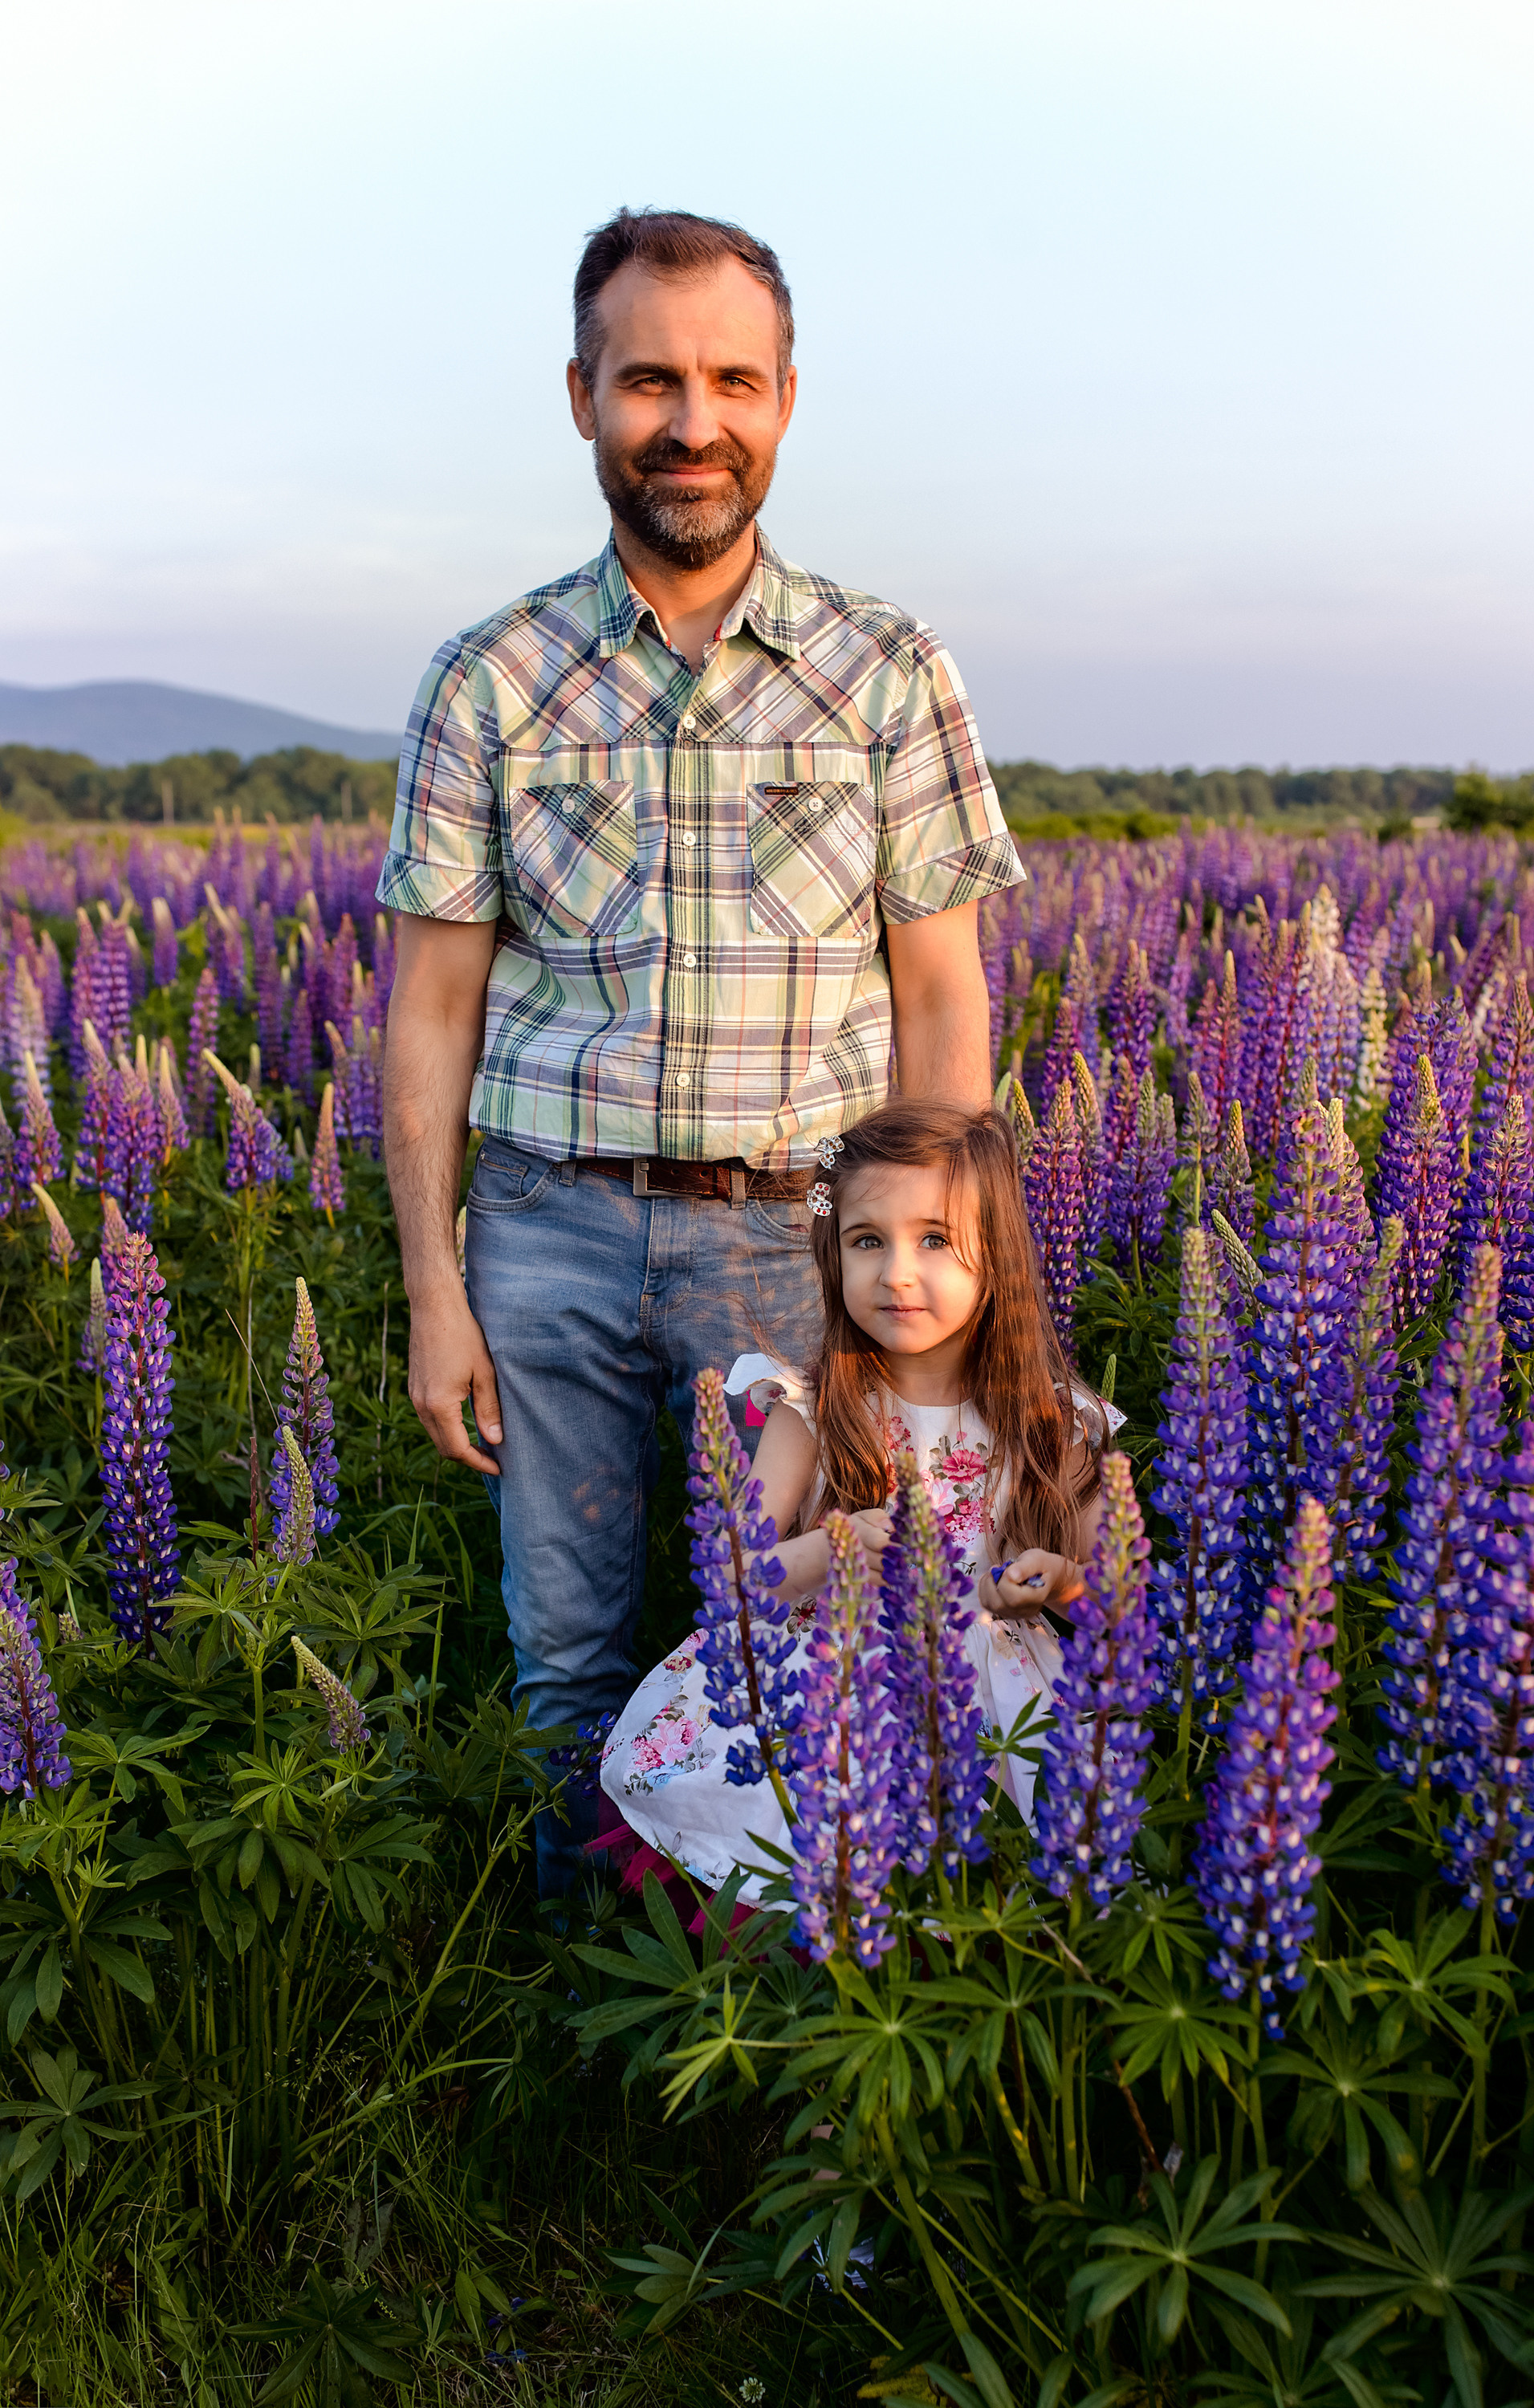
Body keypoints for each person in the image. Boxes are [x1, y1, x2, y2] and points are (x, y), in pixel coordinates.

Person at [378, 206, 1026, 1893]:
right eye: (649, 379)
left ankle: (779, 1999)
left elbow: (943, 999)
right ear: (581, 397)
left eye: (731, 380)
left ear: (785, 399)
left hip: (802, 1238)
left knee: (819, 1639)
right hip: (551, 1231)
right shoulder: (490, 679)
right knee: (569, 1657)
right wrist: (435, 1286)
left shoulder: (887, 670)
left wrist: (935, 1279)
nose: (691, 420)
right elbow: (430, 1010)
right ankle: (583, 2002)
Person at [598, 1100, 1115, 1899]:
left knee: (988, 1891)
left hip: (988, 1698)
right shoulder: (809, 1408)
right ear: (831, 1252)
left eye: (934, 1239)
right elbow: (732, 1575)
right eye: (867, 1240)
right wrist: (824, 1551)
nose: (896, 1272)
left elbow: (1115, 1588)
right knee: (814, 1888)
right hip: (824, 1687)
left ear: (997, 1255)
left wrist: (1056, 1581)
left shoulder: (1048, 1418)